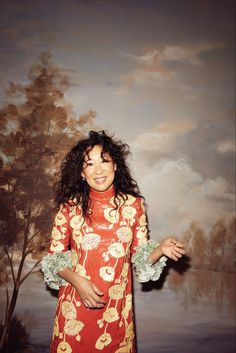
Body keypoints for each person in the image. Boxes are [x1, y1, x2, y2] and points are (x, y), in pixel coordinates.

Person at [41, 130, 185, 353]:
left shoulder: (133, 206)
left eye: (104, 161)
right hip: (74, 311)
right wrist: (77, 281)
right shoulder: (69, 208)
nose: (98, 170)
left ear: (115, 166)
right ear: (81, 172)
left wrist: (160, 249)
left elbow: (141, 259)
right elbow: (54, 260)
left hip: (116, 314)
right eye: (89, 164)